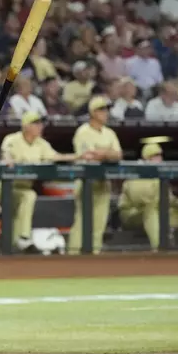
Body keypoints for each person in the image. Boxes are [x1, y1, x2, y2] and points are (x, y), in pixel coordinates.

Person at [0, 112, 82, 253]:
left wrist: (79, 156)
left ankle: (15, 247)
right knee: (29, 196)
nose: (40, 126)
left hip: (23, 188)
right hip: (5, 187)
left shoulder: (41, 143)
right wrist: (7, 159)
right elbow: (6, 154)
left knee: (25, 201)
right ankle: (23, 237)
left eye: (41, 123)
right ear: (26, 126)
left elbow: (56, 156)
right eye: (36, 123)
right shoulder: (13, 139)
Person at [119, 143, 178, 251]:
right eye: (155, 156)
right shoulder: (137, 172)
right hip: (131, 214)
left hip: (156, 212)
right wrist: (165, 202)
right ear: (146, 159)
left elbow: (168, 199)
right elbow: (140, 201)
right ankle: (159, 246)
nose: (159, 159)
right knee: (149, 208)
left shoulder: (160, 174)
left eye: (160, 156)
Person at [67, 97, 123, 255]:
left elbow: (118, 155)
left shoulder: (109, 133)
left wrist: (102, 153)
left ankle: (94, 256)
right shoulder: (83, 132)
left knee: (100, 223)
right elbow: (89, 156)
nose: (106, 113)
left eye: (106, 109)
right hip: (86, 181)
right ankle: (73, 254)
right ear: (93, 112)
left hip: (103, 182)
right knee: (82, 220)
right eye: (102, 109)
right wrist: (108, 153)